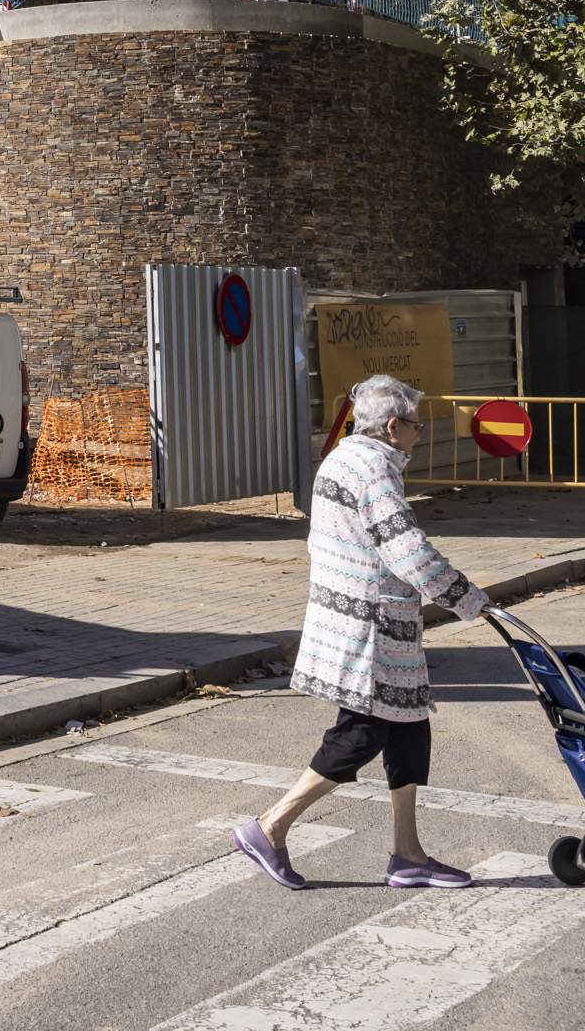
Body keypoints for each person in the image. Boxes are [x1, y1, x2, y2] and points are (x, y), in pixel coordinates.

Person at [232, 372, 487, 891]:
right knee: (362, 731)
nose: (419, 435)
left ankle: (408, 853)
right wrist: (468, 598)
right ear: (394, 426)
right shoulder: (373, 470)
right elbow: (407, 549)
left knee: (409, 726)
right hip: (368, 627)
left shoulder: (346, 458)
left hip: (370, 619)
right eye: (416, 426)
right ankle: (270, 826)